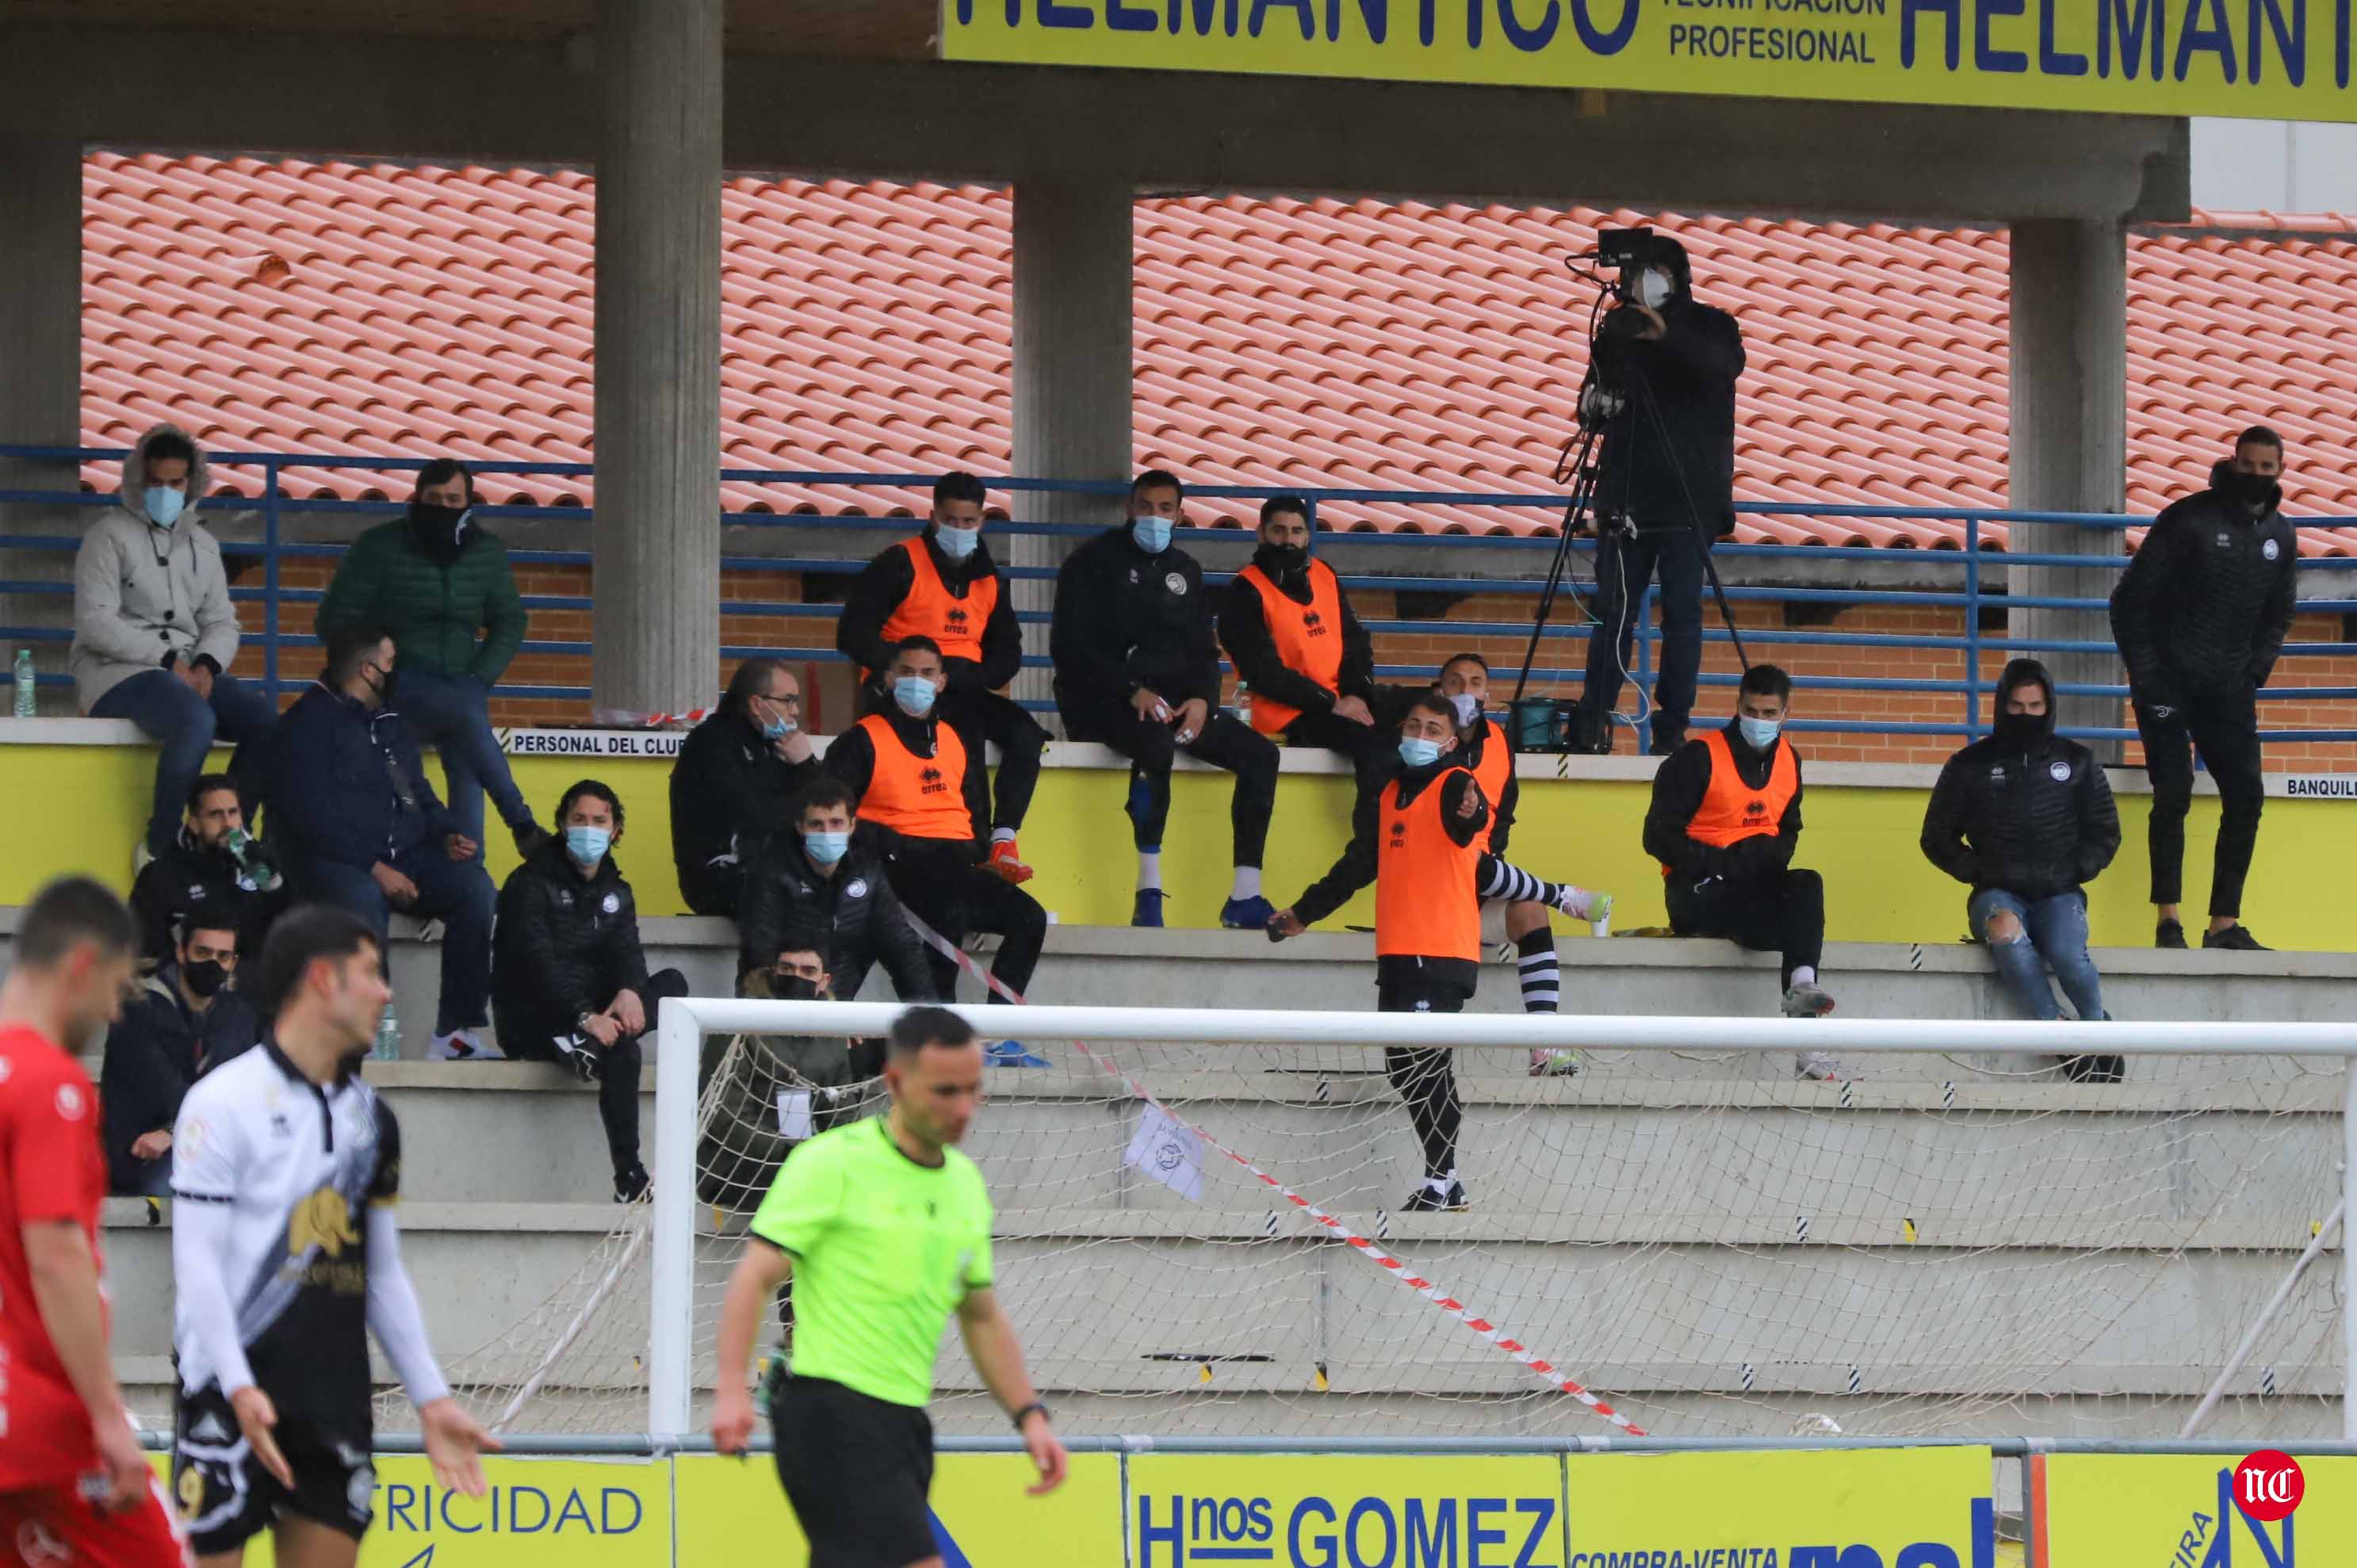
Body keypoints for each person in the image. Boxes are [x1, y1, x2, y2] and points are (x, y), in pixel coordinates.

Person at [170, 903, 497, 1565]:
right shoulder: (221, 1102)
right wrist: (237, 1385)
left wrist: (432, 1398)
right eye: (371, 973)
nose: (386, 992)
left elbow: (381, 1271)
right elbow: (197, 1266)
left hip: (332, 1391)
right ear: (323, 979)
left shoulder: (375, 1122)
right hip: (227, 1388)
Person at [710, 1005, 1069, 1568]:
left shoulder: (964, 1185)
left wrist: (1029, 1415)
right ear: (896, 1083)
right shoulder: (831, 1162)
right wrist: (732, 1389)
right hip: (829, 1410)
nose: (963, 1108)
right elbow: (754, 1275)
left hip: (904, 1422)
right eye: (945, 1091)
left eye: (973, 1090)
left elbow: (979, 1315)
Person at [1268, 693, 1597, 1213]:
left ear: (1449, 741)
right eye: (1413, 726)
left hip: (1441, 951)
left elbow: (1469, 817)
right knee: (1403, 1067)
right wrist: (1302, 914)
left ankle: (1443, 1180)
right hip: (1397, 950)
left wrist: (1474, 811)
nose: (1420, 736)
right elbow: (1358, 865)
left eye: (1432, 729)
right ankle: (1445, 1179)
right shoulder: (1391, 792)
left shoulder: (1454, 785)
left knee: (1424, 1063)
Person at [0, 876, 191, 1567]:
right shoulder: (50, 1084)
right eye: (115, 990)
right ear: (82, 966)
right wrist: (108, 1417)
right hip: (39, 1423)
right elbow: (55, 1252)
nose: (114, 1012)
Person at [1051, 470, 1280, 930]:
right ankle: (1149, 892)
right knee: (1155, 744)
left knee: (1261, 755)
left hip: (1174, 703)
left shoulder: (1186, 570)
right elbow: (1071, 648)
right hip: (1102, 700)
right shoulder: (1090, 562)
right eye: (1145, 507)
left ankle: (1244, 895)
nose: (1154, 517)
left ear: (1179, 515)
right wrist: (1129, 689)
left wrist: (1201, 700)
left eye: (1165, 509)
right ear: (1128, 509)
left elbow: (1202, 649)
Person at [266, 624, 498, 1061]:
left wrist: (445, 832)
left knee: (475, 888)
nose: (398, 673)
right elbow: (310, 817)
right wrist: (375, 866)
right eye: (391, 664)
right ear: (367, 670)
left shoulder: (389, 722)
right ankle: (373, 1033)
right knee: (363, 896)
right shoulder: (306, 724)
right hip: (334, 862)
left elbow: (416, 790)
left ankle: (456, 1034)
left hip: (400, 858)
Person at [2110, 426, 2298, 952]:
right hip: (2167, 682)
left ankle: (2222, 924)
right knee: (2172, 794)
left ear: (2278, 471)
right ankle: (2167, 920)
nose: (2256, 475)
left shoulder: (2280, 536)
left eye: (2267, 468)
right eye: (2249, 465)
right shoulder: (2187, 519)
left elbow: (2278, 612)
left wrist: (2253, 673)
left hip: (2228, 688)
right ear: (2232, 462)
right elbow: (2128, 602)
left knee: (2246, 797)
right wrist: (2147, 675)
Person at [825, 637, 1049, 1065]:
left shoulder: (955, 740)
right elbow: (837, 817)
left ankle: (999, 1034)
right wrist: (895, 847)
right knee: (946, 915)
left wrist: (987, 860)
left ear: (942, 681)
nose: (917, 681)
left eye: (927, 673)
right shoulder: (862, 739)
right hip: (897, 868)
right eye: (907, 672)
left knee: (1030, 919)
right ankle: (946, 1043)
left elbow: (974, 816)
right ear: (889, 678)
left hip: (956, 865)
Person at [316, 457, 553, 858]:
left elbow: (510, 619)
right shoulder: (379, 546)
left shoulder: (486, 552)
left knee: (467, 734)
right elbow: (334, 620)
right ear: (417, 499)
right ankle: (522, 824)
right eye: (434, 499)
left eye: (453, 500)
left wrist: (481, 676)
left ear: (469, 503)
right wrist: (379, 663)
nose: (443, 508)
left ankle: (467, 877)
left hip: (462, 689)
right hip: (398, 684)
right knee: (467, 716)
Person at [1569, 237, 1747, 757]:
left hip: (1689, 502)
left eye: (1653, 272)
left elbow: (1721, 366)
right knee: (1612, 612)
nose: (1641, 282)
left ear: (1677, 277)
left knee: (1682, 617)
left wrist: (1661, 332)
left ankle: (1671, 728)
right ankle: (1594, 717)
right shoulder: (1618, 331)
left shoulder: (1712, 326)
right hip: (1626, 495)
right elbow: (1590, 408)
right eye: (1635, 273)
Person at [71, 423, 279, 866]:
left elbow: (223, 621)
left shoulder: (203, 544)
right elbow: (95, 623)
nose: (165, 492)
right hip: (118, 673)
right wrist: (166, 661)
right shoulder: (106, 536)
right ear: (137, 481)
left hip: (187, 670)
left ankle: (230, 833)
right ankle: (162, 846)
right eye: (156, 482)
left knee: (265, 724)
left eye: (175, 483)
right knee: (194, 720)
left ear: (193, 483)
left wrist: (207, 664)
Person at [1922, 659, 2124, 1082]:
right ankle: (2055, 1034)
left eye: (2035, 705)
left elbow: (2105, 834)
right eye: (2016, 706)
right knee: (2006, 931)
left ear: (2049, 706)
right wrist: (1979, 870)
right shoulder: (1969, 766)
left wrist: (2073, 870)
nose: (2026, 714)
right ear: (2000, 706)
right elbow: (1935, 838)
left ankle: (2099, 1031)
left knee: (2069, 956)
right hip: (1997, 895)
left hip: (2060, 893)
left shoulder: (2080, 762)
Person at [839, 472, 1044, 884]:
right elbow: (852, 634)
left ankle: (1005, 837)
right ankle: (978, 849)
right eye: (951, 520)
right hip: (902, 688)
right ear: (934, 516)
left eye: (969, 522)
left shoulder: (989, 579)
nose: (960, 530)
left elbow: (1008, 651)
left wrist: (974, 674)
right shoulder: (899, 562)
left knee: (1027, 735)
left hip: (962, 688)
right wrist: (904, 668)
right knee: (962, 740)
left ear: (983, 521)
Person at [491, 780, 691, 1203]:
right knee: (625, 1050)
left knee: (672, 985)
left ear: (616, 830)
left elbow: (628, 954)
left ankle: (588, 1047)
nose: (589, 829)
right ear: (562, 825)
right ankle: (630, 1175)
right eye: (579, 819)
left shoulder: (618, 891)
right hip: (538, 1018)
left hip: (595, 1020)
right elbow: (535, 964)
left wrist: (630, 990)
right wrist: (583, 1015)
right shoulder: (527, 885)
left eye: (600, 820)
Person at [1643, 665, 1844, 1077]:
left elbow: (1789, 829)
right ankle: (1807, 1040)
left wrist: (1765, 860)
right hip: (1697, 893)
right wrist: (1722, 863)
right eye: (1751, 711)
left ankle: (1803, 990)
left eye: (1770, 714)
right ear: (1737, 706)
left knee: (1807, 884)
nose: (1760, 721)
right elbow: (1656, 837)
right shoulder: (1698, 758)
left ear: (1786, 712)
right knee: (1783, 913)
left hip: (1751, 891)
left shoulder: (1790, 761)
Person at [1435, 653, 1614, 1077]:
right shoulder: (1429, 740)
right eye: (1455, 683)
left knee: (1528, 911)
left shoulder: (1500, 740)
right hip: (1436, 900)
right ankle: (1562, 895)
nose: (1466, 692)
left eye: (1475, 683)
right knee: (1471, 862)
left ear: (1488, 693)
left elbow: (1504, 814)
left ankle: (1544, 1044)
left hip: (1481, 886)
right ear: (1439, 691)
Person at [1218, 495, 1405, 781]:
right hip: (1291, 714)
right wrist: (1333, 703)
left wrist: (1355, 694)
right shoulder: (1243, 592)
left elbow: (1355, 642)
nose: (1288, 540)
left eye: (1297, 531)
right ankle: (1374, 823)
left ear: (1307, 536)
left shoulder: (1324, 574)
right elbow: (1263, 674)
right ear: (1261, 534)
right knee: (1375, 747)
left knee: (1427, 710)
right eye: (1278, 531)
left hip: (1340, 701)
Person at [700, 939, 882, 1211]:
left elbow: (842, 1117)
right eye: (787, 968)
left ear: (824, 980)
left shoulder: (833, 1034)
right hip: (733, 1168)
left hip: (805, 1164)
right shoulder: (737, 1025)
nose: (796, 977)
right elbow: (728, 1121)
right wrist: (794, 1152)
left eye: (808, 972)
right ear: (773, 972)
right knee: (817, 1191)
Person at [736, 777, 939, 1001]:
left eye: (836, 823)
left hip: (839, 1014)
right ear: (800, 827)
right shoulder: (771, 873)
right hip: (776, 1011)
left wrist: (927, 1018)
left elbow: (903, 948)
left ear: (852, 826)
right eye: (816, 824)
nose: (827, 833)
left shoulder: (868, 874)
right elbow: (759, 957)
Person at [102, 914, 262, 1196]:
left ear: (233, 963)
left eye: (223, 956)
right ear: (181, 952)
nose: (213, 963)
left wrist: (175, 1133)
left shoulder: (239, 1016)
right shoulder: (137, 1012)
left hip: (212, 1148)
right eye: (203, 952)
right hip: (144, 1160)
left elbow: (244, 1097)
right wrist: (178, 1132)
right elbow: (167, 1093)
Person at [671, 658, 821, 916]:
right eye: (788, 700)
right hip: (718, 875)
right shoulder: (712, 743)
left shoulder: (776, 745)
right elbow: (754, 816)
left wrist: (806, 765)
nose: (795, 711)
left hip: (767, 870)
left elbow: (826, 807)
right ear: (756, 703)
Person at [129, 771, 288, 967]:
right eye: (215, 815)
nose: (228, 824)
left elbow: (290, 936)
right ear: (194, 824)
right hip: (187, 987)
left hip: (250, 988)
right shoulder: (160, 876)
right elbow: (144, 958)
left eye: (233, 812)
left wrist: (275, 883)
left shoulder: (259, 868)